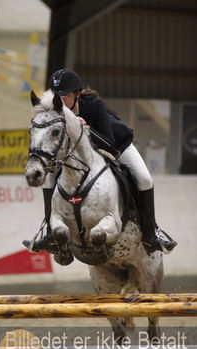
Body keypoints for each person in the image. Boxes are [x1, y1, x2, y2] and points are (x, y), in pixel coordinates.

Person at [23, 68, 177, 254]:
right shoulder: (55, 114)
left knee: (145, 179)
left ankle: (151, 233)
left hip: (116, 144)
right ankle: (49, 232)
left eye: (65, 96)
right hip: (82, 156)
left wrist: (88, 130)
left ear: (77, 94)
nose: (60, 101)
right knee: (49, 178)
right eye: (57, 96)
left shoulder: (93, 105)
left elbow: (110, 145)